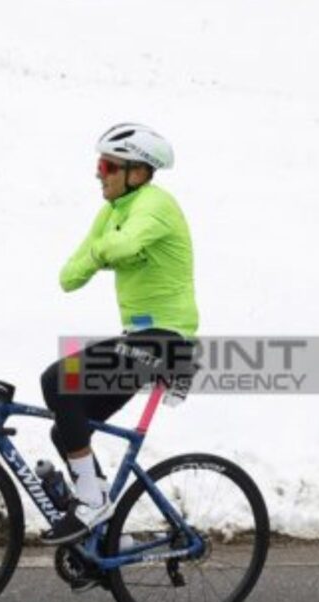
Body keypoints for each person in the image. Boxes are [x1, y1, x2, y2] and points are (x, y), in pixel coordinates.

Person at [39, 123, 199, 546]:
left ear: (139, 173)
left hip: (167, 340)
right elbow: (69, 278)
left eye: (108, 165)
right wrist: (98, 252)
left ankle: (93, 503)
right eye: (99, 164)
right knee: (65, 427)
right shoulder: (111, 213)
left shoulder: (156, 204)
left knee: (59, 380)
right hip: (138, 339)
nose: (99, 173)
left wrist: (100, 253)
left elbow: (124, 247)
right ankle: (107, 533)